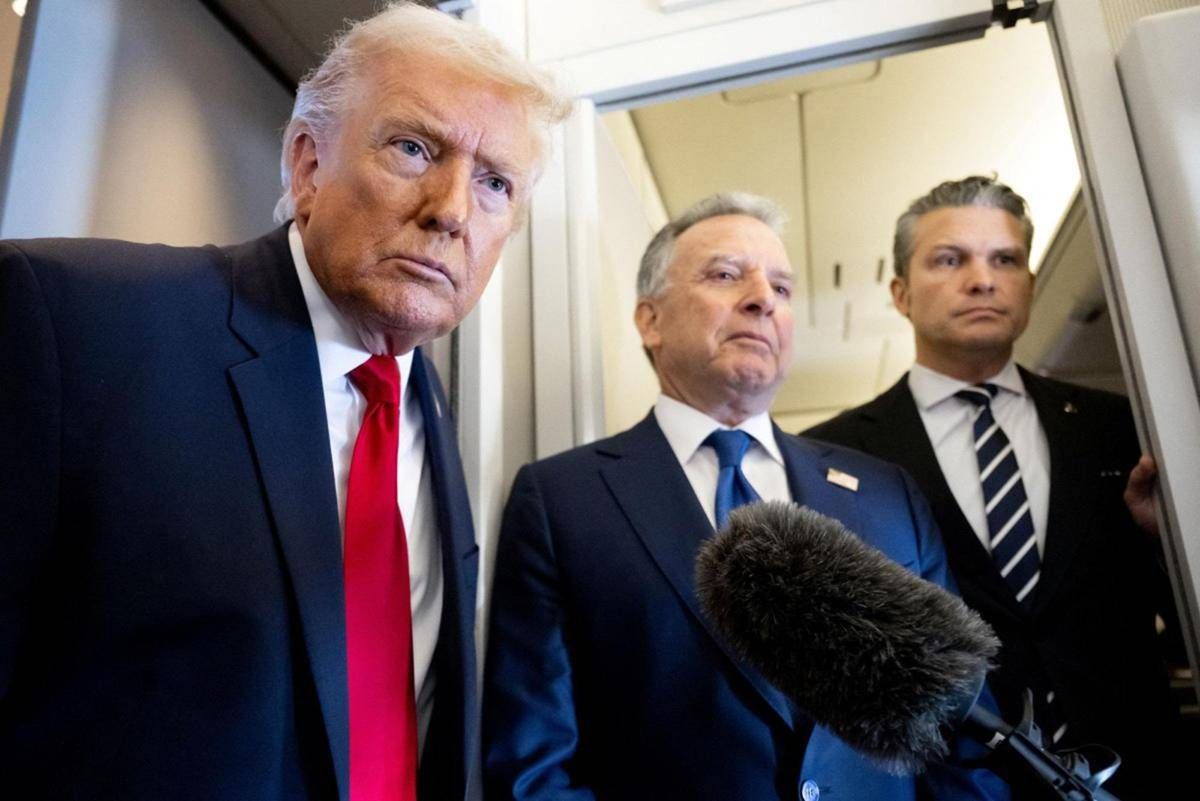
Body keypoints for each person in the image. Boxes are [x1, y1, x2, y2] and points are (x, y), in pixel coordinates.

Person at [0, 3, 570, 799]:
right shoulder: (71, 319)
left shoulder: (428, 405)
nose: (451, 209)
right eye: (413, 147)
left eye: (494, 182)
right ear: (307, 164)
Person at [483, 192, 1008, 801]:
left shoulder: (886, 492)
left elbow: (963, 735)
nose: (763, 299)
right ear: (650, 320)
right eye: (726, 275)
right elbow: (534, 767)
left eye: (781, 288)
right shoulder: (562, 500)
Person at [804, 176, 1181, 798]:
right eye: (949, 260)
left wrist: (1169, 542)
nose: (982, 280)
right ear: (900, 293)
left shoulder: (1122, 427)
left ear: (1027, 282)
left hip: (1139, 770)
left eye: (1004, 260)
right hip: (953, 784)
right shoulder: (834, 458)